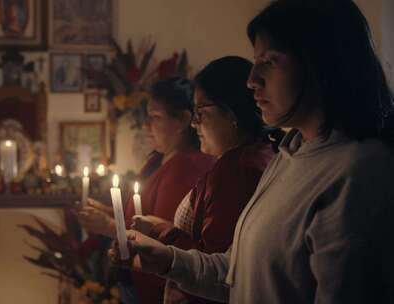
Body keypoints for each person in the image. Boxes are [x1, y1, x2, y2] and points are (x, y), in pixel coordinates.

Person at [110, 1, 394, 303]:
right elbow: (236, 273)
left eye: (269, 61)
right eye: (255, 61)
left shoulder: (358, 171)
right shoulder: (290, 154)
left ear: (320, 63)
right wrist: (169, 260)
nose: (252, 79)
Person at [131, 56, 277, 304]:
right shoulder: (242, 159)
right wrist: (161, 228)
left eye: (201, 112)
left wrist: (164, 238)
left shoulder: (238, 171)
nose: (195, 123)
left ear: (231, 112)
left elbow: (216, 263)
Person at [78, 77, 215, 303]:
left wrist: (109, 226)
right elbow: (139, 216)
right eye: (147, 116)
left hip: (156, 288)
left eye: (155, 117)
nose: (145, 125)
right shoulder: (159, 159)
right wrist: (112, 214)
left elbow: (163, 235)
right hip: (136, 280)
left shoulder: (187, 168)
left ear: (182, 119)